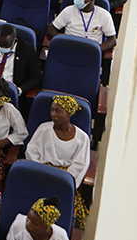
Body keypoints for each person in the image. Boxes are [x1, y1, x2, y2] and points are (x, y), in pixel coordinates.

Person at [25, 95, 91, 230]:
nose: (53, 114)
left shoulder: (82, 138)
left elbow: (80, 165)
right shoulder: (44, 129)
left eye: (58, 111)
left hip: (65, 178)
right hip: (41, 173)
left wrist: (64, 181)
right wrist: (42, 173)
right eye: (52, 110)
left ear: (69, 114)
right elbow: (31, 152)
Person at [46, 0, 117, 52]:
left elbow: (112, 40)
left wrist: (96, 50)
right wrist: (61, 40)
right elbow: (51, 29)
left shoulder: (104, 15)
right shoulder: (68, 10)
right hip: (68, 48)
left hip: (90, 50)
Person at [6, 196, 70, 240]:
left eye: (34, 223)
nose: (27, 224)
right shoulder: (18, 225)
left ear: (46, 227)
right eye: (28, 218)